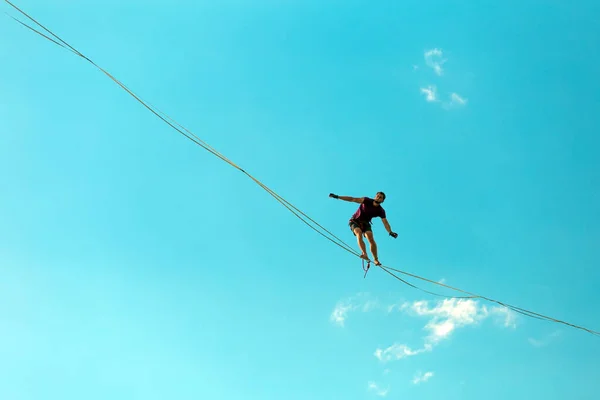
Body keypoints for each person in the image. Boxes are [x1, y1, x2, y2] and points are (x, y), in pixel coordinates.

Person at [329, 192, 398, 266]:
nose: (378, 198)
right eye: (377, 196)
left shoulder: (380, 210)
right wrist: (338, 197)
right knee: (358, 233)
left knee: (370, 237)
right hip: (355, 221)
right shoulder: (366, 200)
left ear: (382, 201)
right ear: (375, 197)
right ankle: (364, 254)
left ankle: (376, 260)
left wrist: (390, 232)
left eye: (380, 197)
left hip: (366, 224)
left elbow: (385, 222)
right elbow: (353, 199)